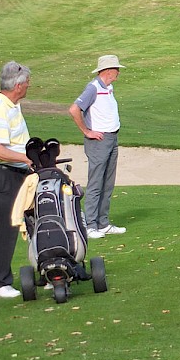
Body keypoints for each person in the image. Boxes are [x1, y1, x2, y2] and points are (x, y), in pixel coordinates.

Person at [0, 61, 34, 298]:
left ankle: (44, 268)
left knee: (32, 219)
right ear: (18, 85)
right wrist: (24, 157)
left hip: (18, 172)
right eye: (27, 82)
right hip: (3, 174)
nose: (29, 86)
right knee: (7, 226)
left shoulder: (13, 104)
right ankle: (1, 283)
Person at [69, 55, 127, 239]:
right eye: (116, 69)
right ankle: (90, 225)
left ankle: (103, 223)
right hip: (99, 141)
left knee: (108, 183)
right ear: (108, 71)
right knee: (96, 183)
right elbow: (74, 109)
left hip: (112, 138)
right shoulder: (93, 88)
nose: (118, 73)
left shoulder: (109, 87)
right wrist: (87, 131)